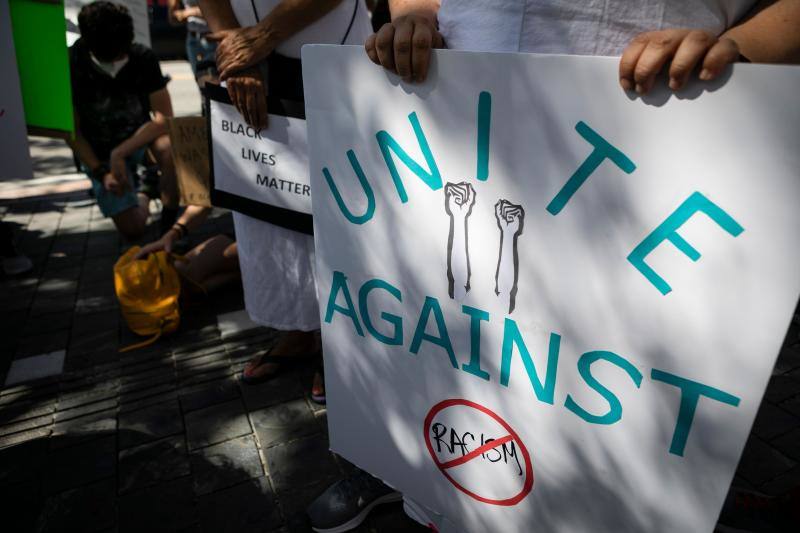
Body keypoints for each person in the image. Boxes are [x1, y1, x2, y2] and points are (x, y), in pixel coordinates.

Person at [305, 1, 800, 532]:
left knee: (618, 379)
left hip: (656, 100)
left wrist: (747, 47)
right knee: (438, 325)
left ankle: (668, 497)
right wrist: (419, 15)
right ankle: (405, 466)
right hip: (451, 91)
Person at [198, 0, 372, 401]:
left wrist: (261, 37)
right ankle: (298, 329)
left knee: (343, 208)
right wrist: (235, 52)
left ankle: (345, 339)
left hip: (331, 53)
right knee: (266, 210)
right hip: (243, 62)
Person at [67, 1, 180, 240]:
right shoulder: (71, 63)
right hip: (97, 152)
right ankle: (147, 190)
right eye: (117, 52)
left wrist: (119, 152)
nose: (123, 55)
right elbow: (72, 131)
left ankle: (171, 224)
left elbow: (164, 120)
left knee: (169, 148)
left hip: (140, 140)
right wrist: (102, 173)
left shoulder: (142, 56)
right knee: (133, 229)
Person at [135, 205, 240, 293]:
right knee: (179, 279)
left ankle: (243, 273)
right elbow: (204, 200)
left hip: (253, 239)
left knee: (234, 255)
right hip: (242, 233)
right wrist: (172, 234)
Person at [167, 0, 218, 81]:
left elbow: (216, 11)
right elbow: (173, 17)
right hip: (193, 39)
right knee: (202, 82)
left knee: (219, 84)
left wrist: (188, 12)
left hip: (214, 38)